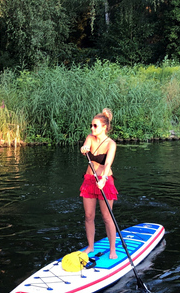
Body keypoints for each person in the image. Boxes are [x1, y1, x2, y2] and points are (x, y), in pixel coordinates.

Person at [79, 108, 118, 259]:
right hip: (89, 180)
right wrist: (84, 148)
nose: (92, 128)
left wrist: (103, 179)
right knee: (88, 216)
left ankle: (113, 249)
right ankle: (90, 246)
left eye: (95, 126)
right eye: (91, 125)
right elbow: (86, 146)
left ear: (104, 127)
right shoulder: (90, 137)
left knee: (107, 216)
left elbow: (107, 164)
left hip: (104, 181)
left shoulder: (111, 144)